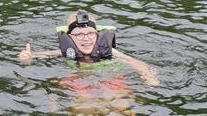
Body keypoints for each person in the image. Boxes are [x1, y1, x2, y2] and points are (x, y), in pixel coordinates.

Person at [18, 10, 159, 86]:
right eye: (79, 35)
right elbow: (44, 55)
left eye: (90, 33)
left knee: (118, 98)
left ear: (97, 34)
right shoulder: (65, 51)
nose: (86, 39)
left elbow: (135, 62)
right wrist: (28, 57)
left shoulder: (110, 51)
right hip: (80, 79)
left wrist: (148, 76)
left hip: (108, 76)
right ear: (69, 37)